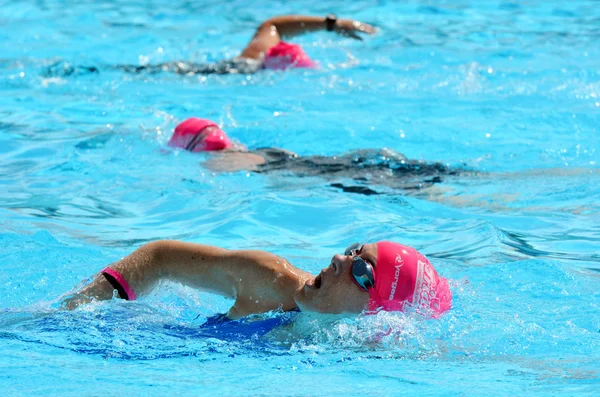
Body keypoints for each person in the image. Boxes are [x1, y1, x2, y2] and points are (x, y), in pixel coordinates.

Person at [62, 241, 452, 322]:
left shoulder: (370, 351)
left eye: (361, 270)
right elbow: (161, 258)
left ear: (375, 311)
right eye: (353, 251)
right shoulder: (269, 280)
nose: (337, 259)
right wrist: (75, 310)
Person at [167, 117, 463, 194]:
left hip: (332, 177)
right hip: (339, 161)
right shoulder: (262, 150)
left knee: (429, 194)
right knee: (443, 175)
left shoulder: (219, 163)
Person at [46, 14, 376, 76]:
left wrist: (331, 24)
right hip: (216, 73)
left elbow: (272, 24)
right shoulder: (254, 60)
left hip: (209, 71)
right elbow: (273, 26)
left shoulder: (255, 57)